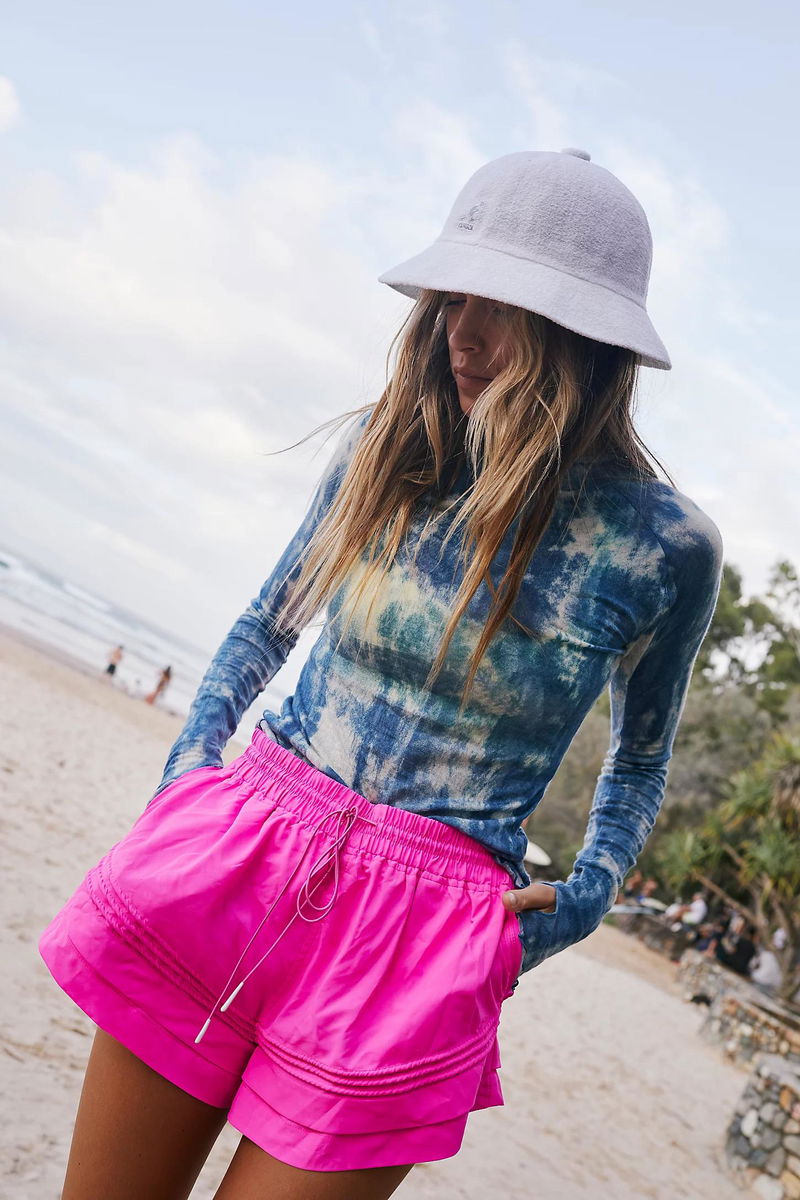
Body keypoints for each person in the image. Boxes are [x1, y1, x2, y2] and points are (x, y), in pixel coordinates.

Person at [38, 148, 724, 1198]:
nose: (461, 331)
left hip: (421, 939)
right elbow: (266, 625)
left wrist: (581, 901)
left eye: (501, 304)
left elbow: (638, 763)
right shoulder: (386, 448)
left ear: (580, 335)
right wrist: (187, 772)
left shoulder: (664, 547)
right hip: (244, 849)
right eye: (454, 295)